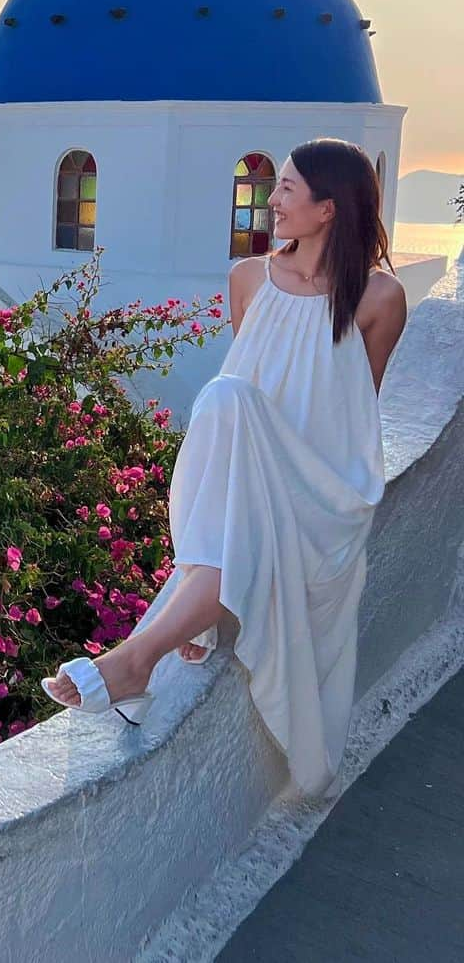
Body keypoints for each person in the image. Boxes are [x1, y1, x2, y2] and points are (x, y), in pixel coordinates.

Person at [42, 138, 408, 800]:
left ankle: (137, 658)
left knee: (227, 400)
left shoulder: (380, 299)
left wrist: (297, 480)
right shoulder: (248, 279)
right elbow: (249, 391)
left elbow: (357, 409)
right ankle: (137, 662)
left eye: (289, 188)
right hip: (249, 476)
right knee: (227, 398)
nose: (274, 198)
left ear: (328, 209)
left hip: (321, 488)